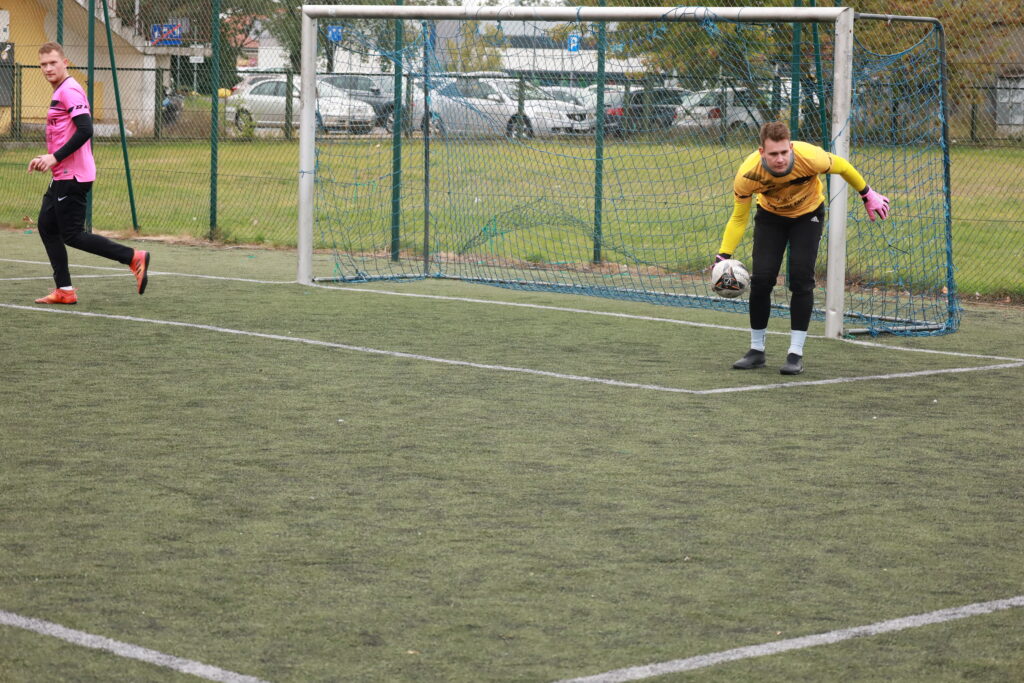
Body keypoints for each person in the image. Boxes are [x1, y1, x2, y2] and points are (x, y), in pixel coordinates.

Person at [714, 121, 889, 375]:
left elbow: (843, 166)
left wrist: (867, 194)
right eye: (773, 153)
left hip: (808, 216)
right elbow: (739, 217)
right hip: (770, 218)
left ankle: (795, 354)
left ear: (791, 148)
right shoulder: (747, 174)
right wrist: (723, 255)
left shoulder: (810, 157)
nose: (780, 159)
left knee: (800, 278)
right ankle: (756, 351)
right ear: (762, 152)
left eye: (784, 152)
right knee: (761, 280)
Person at [27, 41, 149, 305]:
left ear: (65, 63)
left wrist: (54, 157)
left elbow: (86, 129)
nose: (48, 68)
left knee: (72, 235)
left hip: (72, 176)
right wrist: (47, 158)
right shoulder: (62, 90)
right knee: (47, 226)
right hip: (62, 174)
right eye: (43, 64)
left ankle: (132, 257)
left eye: (53, 63)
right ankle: (64, 290)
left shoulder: (69, 90)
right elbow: (65, 133)